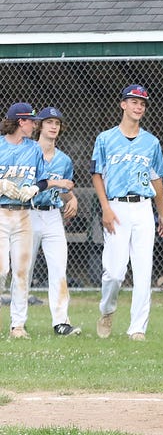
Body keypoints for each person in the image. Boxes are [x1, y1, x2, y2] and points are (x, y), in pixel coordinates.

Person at [91, 84, 163, 341]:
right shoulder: (105, 138)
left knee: (143, 269)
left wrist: (162, 213)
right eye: (133, 102)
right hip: (116, 207)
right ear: (123, 104)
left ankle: (137, 328)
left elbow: (157, 179)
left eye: (142, 103)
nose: (138, 107)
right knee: (114, 273)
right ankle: (107, 310)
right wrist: (105, 207)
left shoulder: (151, 141)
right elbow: (97, 174)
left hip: (143, 208)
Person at [27, 107, 81, 336]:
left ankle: (61, 322)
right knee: (23, 269)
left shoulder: (64, 160)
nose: (53, 126)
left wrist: (74, 199)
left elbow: (65, 187)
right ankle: (17, 321)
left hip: (52, 215)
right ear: (39, 125)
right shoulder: (27, 152)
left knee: (59, 268)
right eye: (48, 122)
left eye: (57, 123)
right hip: (27, 213)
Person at [0, 102, 52, 338]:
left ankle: (17, 325)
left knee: (22, 271)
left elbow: (42, 180)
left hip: (23, 215)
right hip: (1, 213)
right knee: (2, 270)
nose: (34, 125)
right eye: (31, 121)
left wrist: (33, 188)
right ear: (20, 122)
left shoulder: (33, 149)